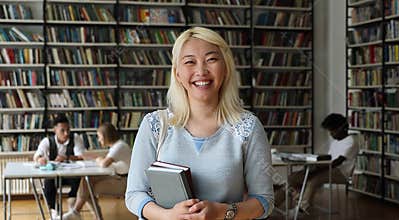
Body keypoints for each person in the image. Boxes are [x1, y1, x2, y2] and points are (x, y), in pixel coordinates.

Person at [125, 27, 274, 220]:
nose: (201, 71)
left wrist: (223, 212)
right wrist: (168, 216)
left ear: (226, 68)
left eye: (211, 59)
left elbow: (264, 201)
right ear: (177, 73)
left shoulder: (247, 127)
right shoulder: (154, 125)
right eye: (189, 62)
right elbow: (134, 194)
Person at [274, 113, 358, 215]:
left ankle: (301, 210)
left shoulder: (350, 141)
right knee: (293, 177)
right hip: (327, 169)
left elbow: (337, 162)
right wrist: (313, 165)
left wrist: (315, 169)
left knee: (313, 180)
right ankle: (272, 206)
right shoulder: (335, 141)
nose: (331, 134)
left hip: (341, 173)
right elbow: (328, 159)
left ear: (342, 128)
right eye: (329, 131)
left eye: (333, 130)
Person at [63, 122, 131, 220]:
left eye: (99, 137)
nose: (98, 140)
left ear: (106, 136)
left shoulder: (119, 146)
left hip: (124, 183)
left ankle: (78, 213)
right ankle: (80, 213)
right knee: (87, 181)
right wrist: (99, 158)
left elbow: (104, 163)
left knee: (88, 187)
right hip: (118, 177)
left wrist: (98, 159)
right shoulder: (117, 146)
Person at [33, 113, 86, 218]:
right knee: (48, 183)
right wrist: (40, 159)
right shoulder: (47, 141)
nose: (66, 133)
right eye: (62, 130)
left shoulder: (75, 138)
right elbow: (36, 156)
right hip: (55, 176)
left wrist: (67, 157)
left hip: (71, 174)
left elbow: (81, 156)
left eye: (68, 130)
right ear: (55, 130)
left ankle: (72, 206)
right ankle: (55, 211)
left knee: (78, 177)